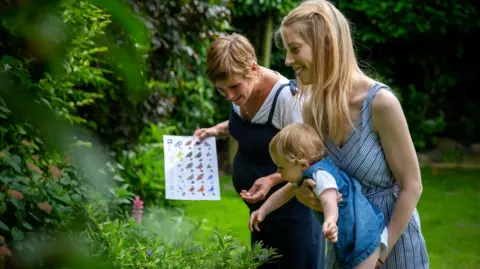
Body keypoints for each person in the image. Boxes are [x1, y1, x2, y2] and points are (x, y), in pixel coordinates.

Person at [277, 0, 429, 268]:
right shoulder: (313, 108)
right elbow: (314, 176)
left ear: (326, 43)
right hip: (345, 247)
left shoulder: (380, 104)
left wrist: (379, 255)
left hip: (394, 247)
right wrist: (308, 193)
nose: (288, 60)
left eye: (295, 49)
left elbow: (412, 186)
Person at [193, 33, 324, 269]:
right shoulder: (239, 89)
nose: (230, 96)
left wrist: (271, 179)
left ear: (253, 69)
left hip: (292, 214)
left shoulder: (286, 99)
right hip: (261, 215)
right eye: (222, 91)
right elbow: (248, 125)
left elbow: (309, 158)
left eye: (234, 87)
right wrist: (216, 130)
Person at [249, 123, 388, 269]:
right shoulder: (304, 175)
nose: (278, 171)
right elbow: (283, 193)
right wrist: (262, 211)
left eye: (281, 167)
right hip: (352, 236)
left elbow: (330, 200)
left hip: (364, 234)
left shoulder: (320, 175)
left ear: (302, 164)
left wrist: (330, 220)